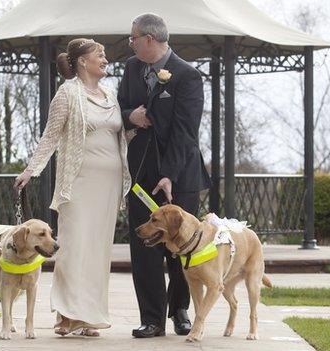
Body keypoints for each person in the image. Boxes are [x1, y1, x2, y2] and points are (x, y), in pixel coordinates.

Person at [14, 38, 131, 337]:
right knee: (74, 246)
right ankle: (66, 315)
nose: (105, 59)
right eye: (100, 55)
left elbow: (118, 134)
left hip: (109, 183)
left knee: (97, 249)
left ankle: (89, 316)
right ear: (82, 61)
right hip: (77, 182)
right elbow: (50, 137)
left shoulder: (110, 94)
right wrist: (32, 169)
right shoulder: (67, 94)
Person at [117, 13, 211, 338]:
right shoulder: (131, 68)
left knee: (181, 244)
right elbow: (120, 108)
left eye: (132, 38)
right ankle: (152, 318)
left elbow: (187, 133)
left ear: (149, 39)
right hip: (142, 173)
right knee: (145, 244)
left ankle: (180, 310)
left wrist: (170, 174)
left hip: (180, 175)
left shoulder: (188, 76)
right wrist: (133, 116)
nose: (129, 43)